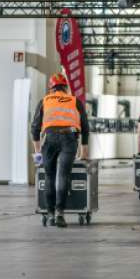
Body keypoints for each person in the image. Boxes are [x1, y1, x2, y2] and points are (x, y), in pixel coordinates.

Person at [31, 73, 90, 228]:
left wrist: (37, 151)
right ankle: (60, 214)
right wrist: (84, 150)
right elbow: (85, 126)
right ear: (65, 87)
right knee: (63, 175)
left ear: (51, 88)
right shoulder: (75, 101)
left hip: (49, 139)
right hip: (69, 139)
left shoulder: (44, 101)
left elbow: (34, 127)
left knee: (49, 178)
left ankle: (50, 215)